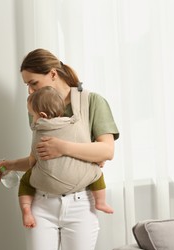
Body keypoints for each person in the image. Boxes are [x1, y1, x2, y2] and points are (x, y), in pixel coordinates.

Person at [0, 48, 119, 250]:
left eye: (34, 83)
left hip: (81, 203)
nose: (31, 91)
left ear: (52, 74)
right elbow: (39, 159)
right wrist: (9, 165)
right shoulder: (35, 108)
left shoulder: (92, 102)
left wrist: (63, 147)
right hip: (41, 204)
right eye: (27, 86)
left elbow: (107, 150)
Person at [18, 85, 113, 229]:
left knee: (25, 181)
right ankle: (101, 201)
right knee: (97, 173)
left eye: (33, 115)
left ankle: (26, 209)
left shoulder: (39, 132)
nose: (33, 120)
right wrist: (97, 159)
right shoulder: (73, 124)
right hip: (79, 188)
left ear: (42, 115)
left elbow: (32, 160)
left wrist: (8, 165)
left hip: (47, 192)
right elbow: (90, 151)